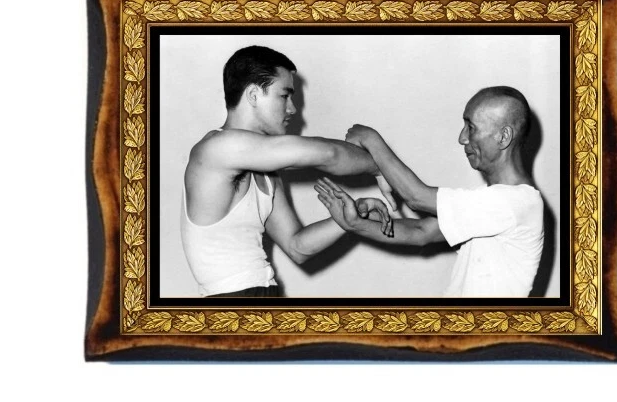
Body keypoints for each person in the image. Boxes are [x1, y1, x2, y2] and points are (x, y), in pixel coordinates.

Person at [180, 45, 393, 298]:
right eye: (284, 96)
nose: (292, 109)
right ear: (253, 95)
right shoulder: (217, 149)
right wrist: (381, 167)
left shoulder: (266, 171)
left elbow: (297, 246)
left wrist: (350, 217)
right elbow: (327, 154)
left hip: (263, 293)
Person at [315, 86, 544, 297]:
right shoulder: (493, 200)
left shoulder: (515, 202)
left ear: (503, 136)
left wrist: (370, 138)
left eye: (471, 127)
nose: (462, 138)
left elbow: (416, 197)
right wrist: (356, 223)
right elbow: (422, 232)